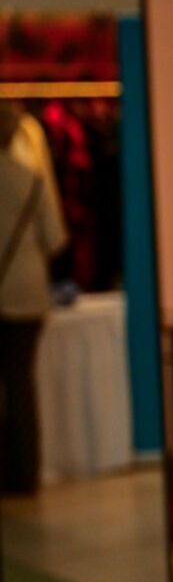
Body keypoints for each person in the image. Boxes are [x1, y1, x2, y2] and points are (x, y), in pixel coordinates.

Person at [0, 101, 67, 496]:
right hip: (28, 292)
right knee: (22, 382)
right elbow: (55, 238)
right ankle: (27, 472)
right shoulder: (31, 180)